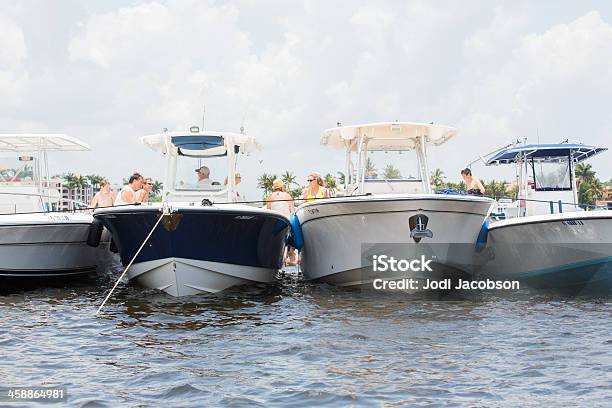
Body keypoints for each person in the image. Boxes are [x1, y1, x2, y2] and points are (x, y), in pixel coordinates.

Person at [266, 179, 296, 265]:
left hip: (275, 224)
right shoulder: (287, 195)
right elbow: (292, 211)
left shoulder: (270, 197)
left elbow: (269, 211)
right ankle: (291, 251)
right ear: (282, 187)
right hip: (286, 223)